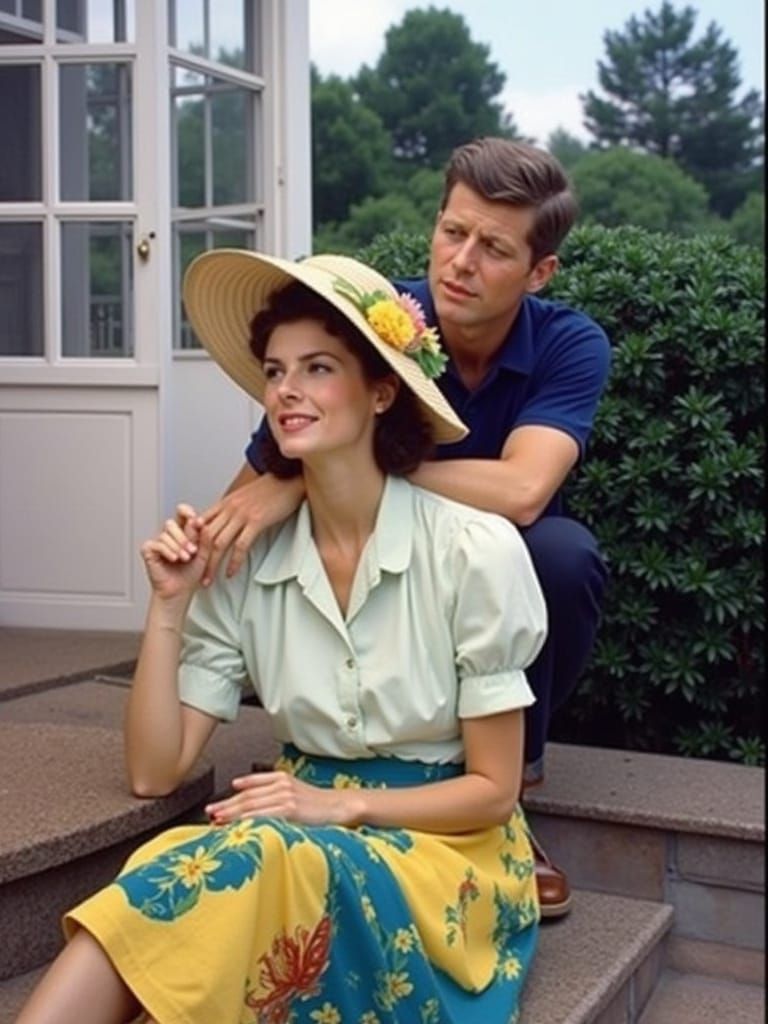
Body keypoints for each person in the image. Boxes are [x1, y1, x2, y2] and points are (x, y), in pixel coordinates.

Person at [17, 252, 548, 1024]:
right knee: (174, 865)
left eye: (318, 368)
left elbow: (494, 794)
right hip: (289, 824)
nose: (287, 390)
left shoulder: (473, 550)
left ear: (381, 391)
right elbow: (154, 773)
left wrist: (340, 807)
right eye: (275, 371)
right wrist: (167, 607)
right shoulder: (246, 562)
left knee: (268, 859)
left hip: (447, 850)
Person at [194, 138, 612, 918]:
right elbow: (258, 483)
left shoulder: (568, 342)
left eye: (493, 248)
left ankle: (507, 790)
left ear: (539, 271)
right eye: (453, 232)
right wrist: (227, 529)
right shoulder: (376, 321)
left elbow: (524, 490)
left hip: (487, 580)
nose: (460, 261)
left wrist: (340, 471)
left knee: (562, 554)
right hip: (378, 584)